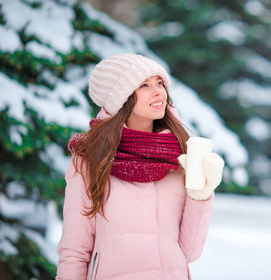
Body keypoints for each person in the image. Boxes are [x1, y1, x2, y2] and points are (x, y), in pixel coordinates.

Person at [56, 54, 224, 280]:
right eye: (144, 85)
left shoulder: (179, 157)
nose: (158, 92)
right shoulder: (92, 159)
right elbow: (74, 250)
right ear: (121, 98)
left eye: (160, 83)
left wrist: (200, 195)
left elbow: (189, 252)